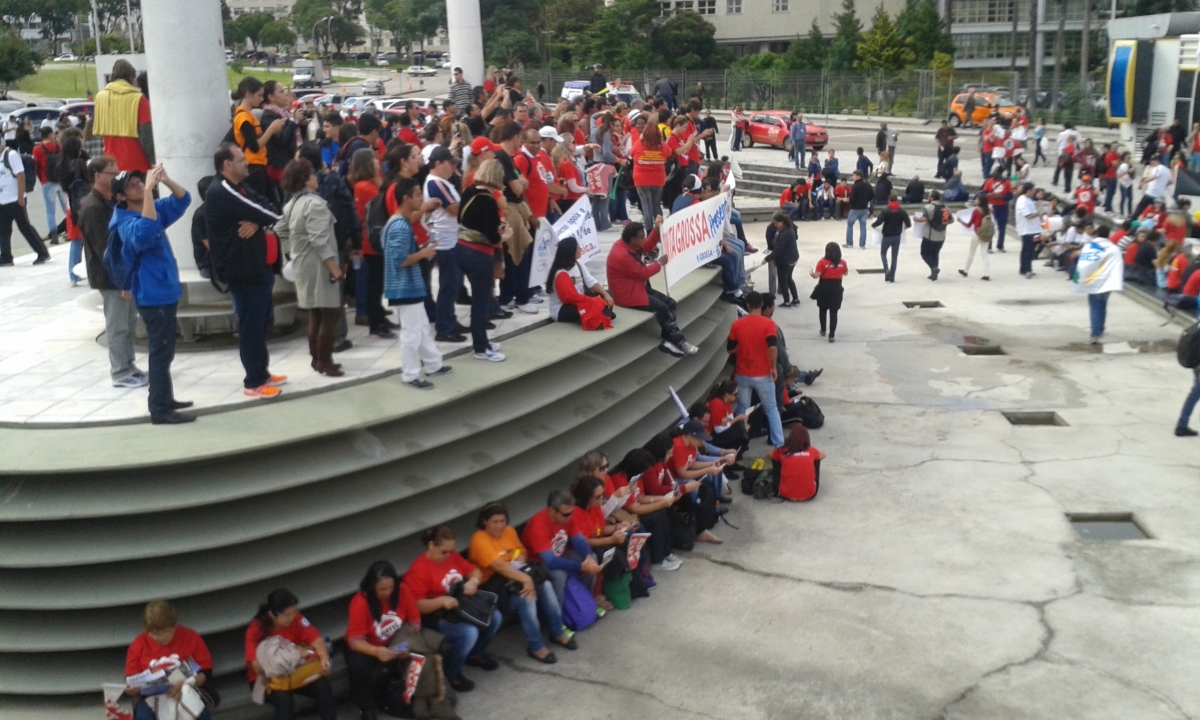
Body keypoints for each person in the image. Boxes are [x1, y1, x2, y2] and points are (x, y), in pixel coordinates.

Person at [110, 167, 192, 425]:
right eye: (131, 185)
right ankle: (159, 408)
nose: (137, 184)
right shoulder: (125, 223)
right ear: (121, 197)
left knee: (165, 351)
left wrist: (166, 180)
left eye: (139, 181)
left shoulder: (150, 208)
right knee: (160, 352)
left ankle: (165, 398)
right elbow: (144, 232)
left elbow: (183, 200)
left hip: (164, 290)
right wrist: (148, 191)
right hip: (152, 295)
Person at [206, 144, 287, 399]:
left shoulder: (241, 187)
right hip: (242, 269)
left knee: (261, 322)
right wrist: (261, 217)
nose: (247, 163)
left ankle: (262, 372)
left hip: (256, 266)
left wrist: (256, 221)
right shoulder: (223, 190)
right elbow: (271, 213)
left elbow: (271, 207)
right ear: (227, 165)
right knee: (251, 326)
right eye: (241, 160)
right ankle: (254, 381)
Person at [469, 502, 577, 665]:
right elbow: (499, 566)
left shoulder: (509, 531)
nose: (500, 526)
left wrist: (520, 558)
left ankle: (557, 631)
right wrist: (526, 580)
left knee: (546, 586)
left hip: (515, 575)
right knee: (526, 597)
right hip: (494, 586)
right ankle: (536, 646)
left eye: (502, 521)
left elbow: (522, 551)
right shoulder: (479, 539)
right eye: (495, 522)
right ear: (485, 522)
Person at [403, 525, 503, 693]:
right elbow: (417, 606)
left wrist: (473, 582)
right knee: (469, 633)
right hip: (436, 615)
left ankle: (476, 654)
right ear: (431, 545)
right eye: (444, 552)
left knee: (495, 617)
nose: (449, 555)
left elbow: (474, 571)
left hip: (459, 605)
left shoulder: (452, 555)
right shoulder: (418, 569)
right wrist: (441, 601)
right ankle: (452, 673)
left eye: (451, 551)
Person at [78, 155, 144, 387]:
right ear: (98, 176)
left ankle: (129, 366)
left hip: (123, 274)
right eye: (112, 173)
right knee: (117, 326)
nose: (117, 177)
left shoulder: (110, 201)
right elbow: (106, 249)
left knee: (128, 324)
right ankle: (120, 371)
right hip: (111, 277)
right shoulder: (94, 207)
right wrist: (123, 280)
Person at [275, 158, 345, 377]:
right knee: (331, 312)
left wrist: (291, 251)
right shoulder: (314, 204)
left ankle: (316, 359)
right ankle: (325, 360)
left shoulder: (291, 204)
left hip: (303, 263)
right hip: (319, 265)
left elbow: (280, 229)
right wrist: (334, 267)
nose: (316, 178)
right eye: (312, 174)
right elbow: (319, 240)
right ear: (306, 179)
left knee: (315, 312)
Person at [384, 178, 450, 388]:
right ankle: (410, 375)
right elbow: (400, 260)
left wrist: (421, 250)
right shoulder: (399, 226)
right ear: (406, 198)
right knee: (412, 332)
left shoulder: (399, 223)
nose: (422, 198)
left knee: (420, 327)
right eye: (418, 194)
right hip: (404, 287)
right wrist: (423, 253)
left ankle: (433, 364)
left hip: (408, 286)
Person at [606, 219, 698, 357]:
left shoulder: (630, 245)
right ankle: (680, 342)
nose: (644, 239)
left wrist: (656, 228)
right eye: (642, 236)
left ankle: (668, 341)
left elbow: (648, 245)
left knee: (671, 303)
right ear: (632, 239)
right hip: (627, 294)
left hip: (637, 287)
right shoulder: (621, 255)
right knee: (663, 308)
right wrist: (659, 264)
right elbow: (642, 273)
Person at [244, 589, 336, 720]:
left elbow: (316, 640)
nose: (292, 617)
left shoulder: (297, 619)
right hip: (268, 678)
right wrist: (294, 654)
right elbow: (256, 667)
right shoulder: (255, 629)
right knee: (284, 699)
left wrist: (325, 660)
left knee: (322, 686)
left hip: (296, 671)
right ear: (272, 615)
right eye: (286, 615)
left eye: (294, 612)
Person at [343, 560, 417, 720]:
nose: (387, 592)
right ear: (372, 586)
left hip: (395, 640)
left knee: (418, 653)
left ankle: (404, 698)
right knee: (358, 667)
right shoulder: (360, 602)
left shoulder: (403, 590)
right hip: (366, 646)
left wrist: (405, 645)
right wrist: (376, 651)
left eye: (391, 587)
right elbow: (354, 641)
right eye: (382, 589)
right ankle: (366, 708)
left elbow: (415, 623)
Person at [124, 601, 213, 720]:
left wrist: (186, 683)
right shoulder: (139, 644)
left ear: (174, 625)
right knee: (143, 717)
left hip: (186, 689)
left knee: (200, 713)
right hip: (151, 696)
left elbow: (205, 672)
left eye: (164, 632)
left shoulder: (191, 637)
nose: (159, 637)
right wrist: (131, 688)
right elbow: (131, 677)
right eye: (153, 633)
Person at [457, 158, 509, 362]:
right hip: (479, 254)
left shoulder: (469, 191)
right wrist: (505, 235)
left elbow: (462, 219)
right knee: (481, 302)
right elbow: (493, 236)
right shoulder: (488, 200)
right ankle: (480, 347)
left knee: (479, 301)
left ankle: (483, 342)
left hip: (462, 248)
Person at [522, 489, 604, 602]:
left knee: (592, 558)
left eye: (571, 512)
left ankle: (588, 601)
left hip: (560, 554)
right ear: (552, 511)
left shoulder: (568, 515)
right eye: (566, 514)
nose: (570, 517)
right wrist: (581, 566)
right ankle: (559, 611)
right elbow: (550, 561)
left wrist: (588, 558)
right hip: (539, 561)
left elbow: (579, 541)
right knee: (559, 575)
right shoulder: (538, 526)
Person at [728, 292, 783, 447]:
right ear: (761, 304)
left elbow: (730, 349)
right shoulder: (769, 324)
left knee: (742, 408)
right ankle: (778, 444)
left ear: (747, 305)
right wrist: (773, 367)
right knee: (771, 409)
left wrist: (742, 349)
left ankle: (739, 442)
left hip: (742, 373)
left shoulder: (737, 324)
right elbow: (772, 347)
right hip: (763, 373)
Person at [93, 59, 153, 173]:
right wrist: (153, 161)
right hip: (137, 164)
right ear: (131, 77)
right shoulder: (139, 99)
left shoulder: (100, 97)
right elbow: (146, 136)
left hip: (111, 166)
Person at [230, 77, 286, 201]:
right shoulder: (243, 117)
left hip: (258, 165)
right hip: (253, 166)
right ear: (248, 94)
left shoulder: (248, 115)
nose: (262, 99)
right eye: (259, 95)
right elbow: (254, 147)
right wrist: (271, 130)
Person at [0, 140, 51, 265]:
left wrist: (20, 197)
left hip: (15, 199)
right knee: (3, 230)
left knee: (25, 227)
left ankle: (42, 253)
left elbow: (21, 176)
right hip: (3, 200)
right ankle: (6, 257)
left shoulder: (11, 155)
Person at [548, 236, 615, 329]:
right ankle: (601, 315)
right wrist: (591, 301)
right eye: (578, 248)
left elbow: (591, 282)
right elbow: (570, 298)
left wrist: (605, 294)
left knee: (608, 294)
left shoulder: (578, 264)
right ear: (571, 251)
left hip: (580, 301)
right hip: (563, 308)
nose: (581, 249)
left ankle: (600, 315)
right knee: (593, 305)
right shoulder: (561, 273)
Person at [770, 425, 826, 502]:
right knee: (816, 459)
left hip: (785, 494)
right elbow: (823, 455)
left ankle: (778, 486)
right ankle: (810, 483)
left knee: (776, 458)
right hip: (810, 494)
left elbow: (768, 455)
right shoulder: (811, 451)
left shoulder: (783, 451)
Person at [32, 127, 67, 246]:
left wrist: (41, 180)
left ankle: (54, 235)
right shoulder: (58, 146)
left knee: (50, 210)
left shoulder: (37, 149)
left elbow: (36, 167)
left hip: (47, 181)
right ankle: (70, 229)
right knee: (66, 207)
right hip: (61, 180)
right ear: (50, 134)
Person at [811, 242, 848, 341]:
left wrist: (811, 273)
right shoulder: (842, 263)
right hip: (837, 289)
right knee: (834, 312)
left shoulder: (822, 262)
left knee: (822, 310)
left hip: (824, 289)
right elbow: (845, 273)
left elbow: (816, 276)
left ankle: (823, 330)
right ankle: (831, 335)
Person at [872, 195, 911, 283]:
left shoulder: (885, 210)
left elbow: (879, 222)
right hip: (897, 236)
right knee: (894, 257)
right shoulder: (902, 211)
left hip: (887, 236)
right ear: (897, 200)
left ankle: (886, 269)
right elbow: (908, 224)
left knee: (883, 253)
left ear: (889, 200)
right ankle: (892, 277)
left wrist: (873, 225)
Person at [957, 195, 992, 281]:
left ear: (980, 201)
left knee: (971, 252)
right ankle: (986, 274)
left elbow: (969, 224)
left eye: (977, 199)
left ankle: (966, 270)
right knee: (984, 254)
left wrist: (961, 221)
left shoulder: (976, 211)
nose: (975, 200)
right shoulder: (989, 210)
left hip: (977, 233)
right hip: (986, 234)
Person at [768, 212, 799, 307]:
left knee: (783, 280)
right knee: (789, 278)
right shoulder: (789, 228)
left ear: (782, 222)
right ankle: (795, 298)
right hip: (793, 257)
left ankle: (786, 301)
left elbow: (778, 249)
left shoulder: (785, 233)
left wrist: (767, 258)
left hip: (785, 260)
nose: (775, 225)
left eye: (776, 223)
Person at [1015, 182, 1043, 279]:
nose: (1034, 192)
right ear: (1028, 191)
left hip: (1033, 229)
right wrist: (1038, 214)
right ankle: (1027, 270)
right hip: (1027, 230)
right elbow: (1028, 215)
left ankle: (1024, 268)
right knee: (1027, 250)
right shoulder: (1022, 201)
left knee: (1029, 250)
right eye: (1032, 190)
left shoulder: (1029, 200)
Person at [982, 167, 1011, 252]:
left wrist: (1002, 197)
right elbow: (983, 193)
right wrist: (988, 196)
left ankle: (1000, 245)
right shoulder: (989, 181)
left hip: (1003, 206)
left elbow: (1010, 195)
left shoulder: (1006, 182)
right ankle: (989, 246)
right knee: (990, 226)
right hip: (991, 206)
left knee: (1002, 227)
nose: (995, 174)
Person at [920, 191, 947, 281]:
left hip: (930, 235)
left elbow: (924, 219)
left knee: (924, 253)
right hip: (942, 236)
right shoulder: (945, 208)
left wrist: (916, 219)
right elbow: (951, 220)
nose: (928, 198)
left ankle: (934, 268)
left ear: (932, 198)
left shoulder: (928, 207)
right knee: (935, 253)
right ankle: (934, 274)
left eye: (929, 196)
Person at [1135, 154, 1171, 220]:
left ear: (1155, 161)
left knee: (1139, 210)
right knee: (1153, 212)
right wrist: (1162, 185)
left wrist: (1143, 182)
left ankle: (1133, 222)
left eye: (1151, 162)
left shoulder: (1158, 168)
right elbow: (1171, 181)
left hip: (1151, 193)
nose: (1151, 164)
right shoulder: (1167, 170)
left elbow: (1153, 177)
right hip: (1159, 195)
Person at [846, 170, 872, 248]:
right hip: (864, 208)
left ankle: (849, 243)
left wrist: (851, 203)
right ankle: (862, 244)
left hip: (855, 209)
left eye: (853, 175)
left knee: (850, 225)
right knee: (863, 226)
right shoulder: (867, 185)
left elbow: (852, 198)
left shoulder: (855, 186)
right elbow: (872, 196)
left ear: (858, 176)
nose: (852, 177)